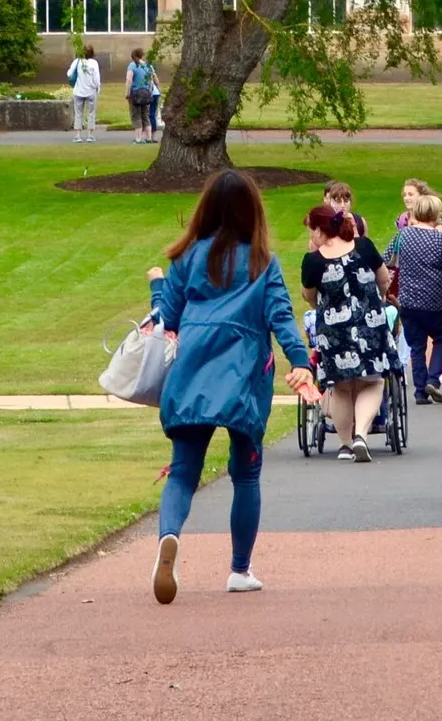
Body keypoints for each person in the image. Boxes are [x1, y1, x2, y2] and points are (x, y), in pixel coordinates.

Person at [146, 170, 320, 602]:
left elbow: (166, 317)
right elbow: (281, 317)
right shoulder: (262, 262)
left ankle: (170, 537)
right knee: (247, 473)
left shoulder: (187, 258)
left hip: (192, 369)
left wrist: (156, 286)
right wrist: (300, 362)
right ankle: (239, 569)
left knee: (183, 471)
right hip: (243, 374)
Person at [301, 204, 395, 462]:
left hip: (334, 331)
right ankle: (361, 434)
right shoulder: (364, 247)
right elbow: (383, 278)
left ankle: (344, 445)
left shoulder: (313, 261)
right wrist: (379, 297)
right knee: (373, 381)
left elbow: (309, 296)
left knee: (340, 387)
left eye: (312, 231)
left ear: (320, 231)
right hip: (370, 324)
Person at [384, 188, 442, 405]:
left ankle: (420, 390)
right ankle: (433, 378)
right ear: (435, 215)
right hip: (436, 300)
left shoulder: (402, 236)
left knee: (417, 346)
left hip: (409, 301)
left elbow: (388, 262)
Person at [67, 47, 102, 141]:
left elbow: (69, 74)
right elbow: (96, 78)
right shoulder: (94, 63)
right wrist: (97, 87)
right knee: (91, 113)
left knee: (78, 113)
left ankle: (78, 135)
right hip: (91, 91)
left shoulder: (77, 61)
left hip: (78, 91)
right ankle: (90, 135)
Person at [125, 48, 159, 144]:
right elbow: (153, 79)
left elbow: (129, 80)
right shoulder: (147, 66)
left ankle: (138, 138)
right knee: (145, 116)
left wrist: (127, 93)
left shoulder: (132, 65)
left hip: (136, 94)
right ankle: (148, 138)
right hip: (147, 93)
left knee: (136, 115)